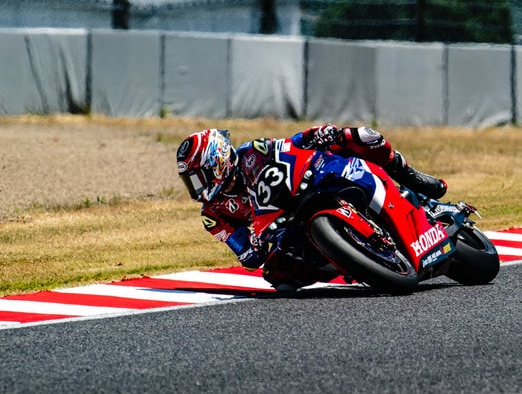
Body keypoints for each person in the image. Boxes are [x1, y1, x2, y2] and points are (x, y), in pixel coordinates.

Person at [176, 124, 446, 291]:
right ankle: (349, 261)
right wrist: (254, 247)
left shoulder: (252, 152)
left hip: (306, 183)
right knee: (277, 277)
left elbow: (290, 144)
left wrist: (316, 134)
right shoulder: (213, 214)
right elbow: (248, 258)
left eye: (198, 177)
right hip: (284, 228)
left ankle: (412, 177)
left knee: (360, 135)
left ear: (218, 161)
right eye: (191, 181)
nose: (197, 188)